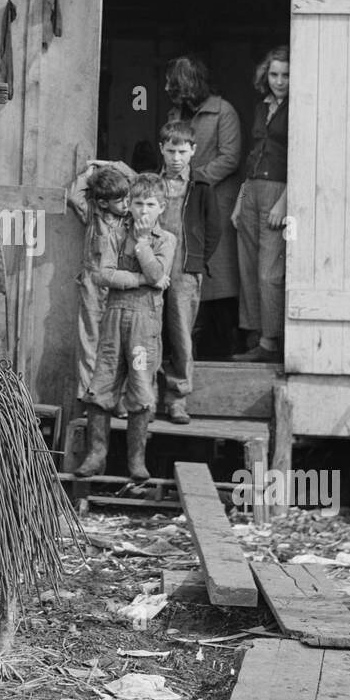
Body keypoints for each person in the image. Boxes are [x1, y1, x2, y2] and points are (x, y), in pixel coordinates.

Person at [78, 173, 176, 481]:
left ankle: (137, 461)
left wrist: (144, 245)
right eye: (137, 203)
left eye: (150, 204)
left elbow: (160, 270)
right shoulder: (116, 234)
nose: (143, 210)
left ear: (162, 207)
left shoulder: (166, 240)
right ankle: (96, 456)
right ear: (129, 205)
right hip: (114, 319)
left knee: (141, 386)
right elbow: (103, 274)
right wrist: (142, 280)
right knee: (102, 381)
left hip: (144, 325)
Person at [164, 56, 242, 361]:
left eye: (174, 83)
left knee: (218, 276)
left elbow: (230, 158)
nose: (169, 88)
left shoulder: (224, 112)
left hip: (214, 201)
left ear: (188, 84)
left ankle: (220, 348)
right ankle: (185, 349)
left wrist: (194, 178)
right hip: (180, 202)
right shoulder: (176, 114)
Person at [232, 46, 289, 364]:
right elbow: (251, 155)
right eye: (274, 74)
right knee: (249, 267)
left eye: (285, 75)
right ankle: (256, 337)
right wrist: (240, 201)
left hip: (277, 191)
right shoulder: (261, 107)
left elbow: (302, 156)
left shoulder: (298, 105)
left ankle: (270, 342)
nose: (279, 81)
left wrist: (284, 202)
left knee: (270, 272)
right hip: (251, 189)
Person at [66, 161, 132, 403]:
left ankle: (120, 398)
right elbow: (74, 195)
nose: (126, 204)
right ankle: (89, 394)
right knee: (90, 341)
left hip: (121, 287)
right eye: (120, 200)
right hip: (94, 287)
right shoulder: (92, 213)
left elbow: (137, 181)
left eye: (127, 198)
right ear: (103, 202)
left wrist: (113, 165)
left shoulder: (131, 218)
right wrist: (90, 171)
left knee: (120, 342)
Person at [154, 121, 207, 424]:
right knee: (149, 330)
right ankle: (144, 396)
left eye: (182, 151)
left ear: (193, 151)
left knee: (180, 332)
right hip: (154, 265)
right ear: (161, 149)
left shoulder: (200, 186)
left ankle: (177, 399)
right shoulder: (151, 183)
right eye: (171, 150)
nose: (176, 157)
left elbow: (211, 229)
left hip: (185, 269)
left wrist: (198, 262)